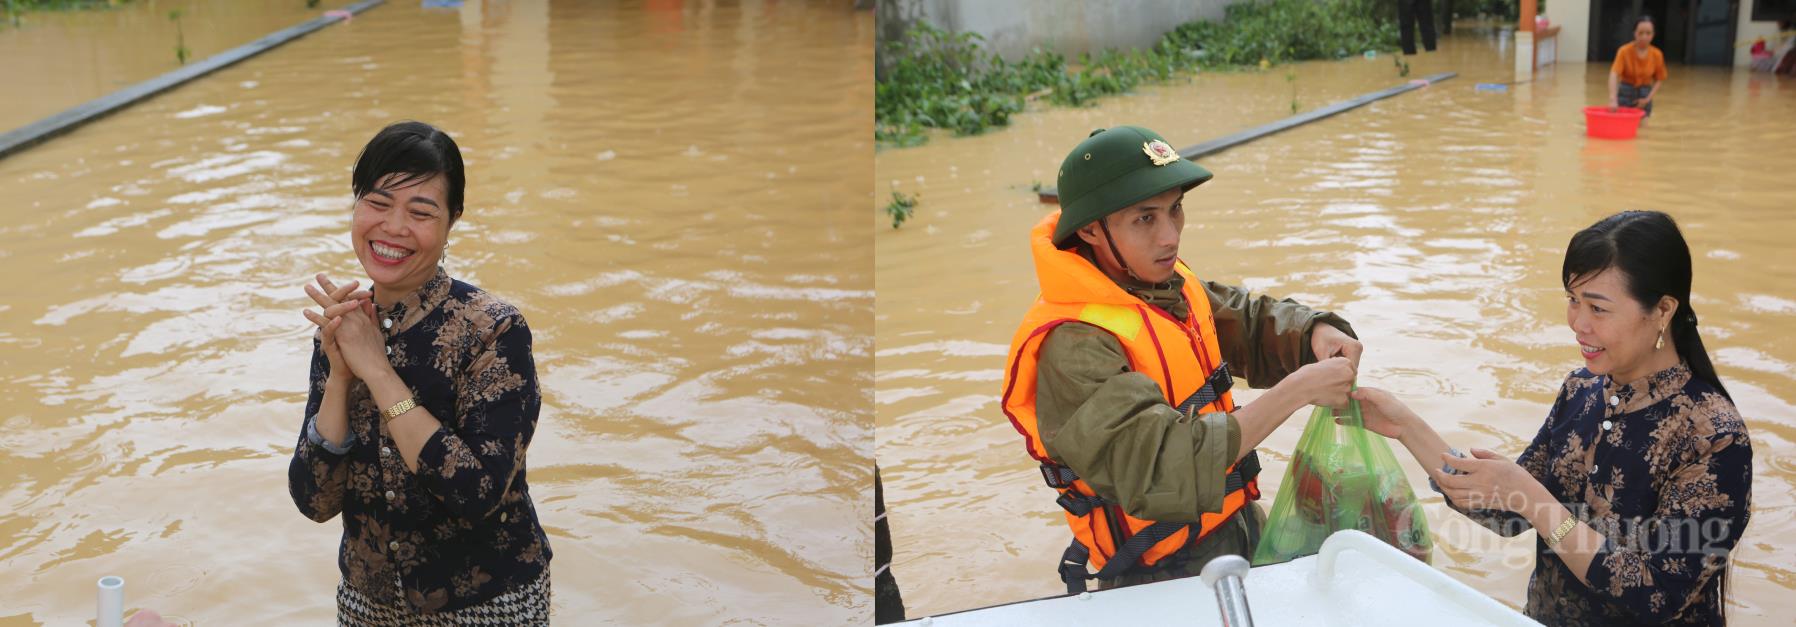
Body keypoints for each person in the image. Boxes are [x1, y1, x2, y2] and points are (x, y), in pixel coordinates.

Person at [1000, 126, 1360, 592]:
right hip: (1157, 577)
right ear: (1091, 230)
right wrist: (1298, 392)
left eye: (1175, 210)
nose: (1170, 236)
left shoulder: (1161, 284)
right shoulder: (1073, 345)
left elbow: (1246, 320)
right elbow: (1162, 469)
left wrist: (1313, 331)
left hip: (1236, 533)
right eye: (1144, 219)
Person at [1353, 211, 1751, 625]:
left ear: (1663, 309)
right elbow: (1504, 514)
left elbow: (1656, 593)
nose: (1578, 323)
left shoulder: (1713, 437)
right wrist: (1405, 426)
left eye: (1598, 308)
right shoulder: (1582, 391)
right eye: (1573, 300)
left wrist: (1536, 501)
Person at [288, 121, 552, 624]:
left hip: (488, 606)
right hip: (367, 604)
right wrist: (341, 376)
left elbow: (475, 493)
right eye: (378, 202)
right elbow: (314, 500)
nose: (393, 227)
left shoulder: (494, 331)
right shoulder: (345, 327)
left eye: (421, 211)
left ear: (452, 220)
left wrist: (379, 373)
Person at [1609, 16, 1668, 119]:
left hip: (1645, 95)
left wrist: (1648, 99)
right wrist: (1613, 98)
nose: (1644, 37)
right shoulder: (1624, 51)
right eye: (1640, 33)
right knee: (1623, 127)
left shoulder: (1657, 54)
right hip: (1625, 93)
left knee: (1643, 131)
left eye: (1648, 33)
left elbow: (1659, 79)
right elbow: (1614, 74)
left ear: (1653, 35)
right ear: (1634, 33)